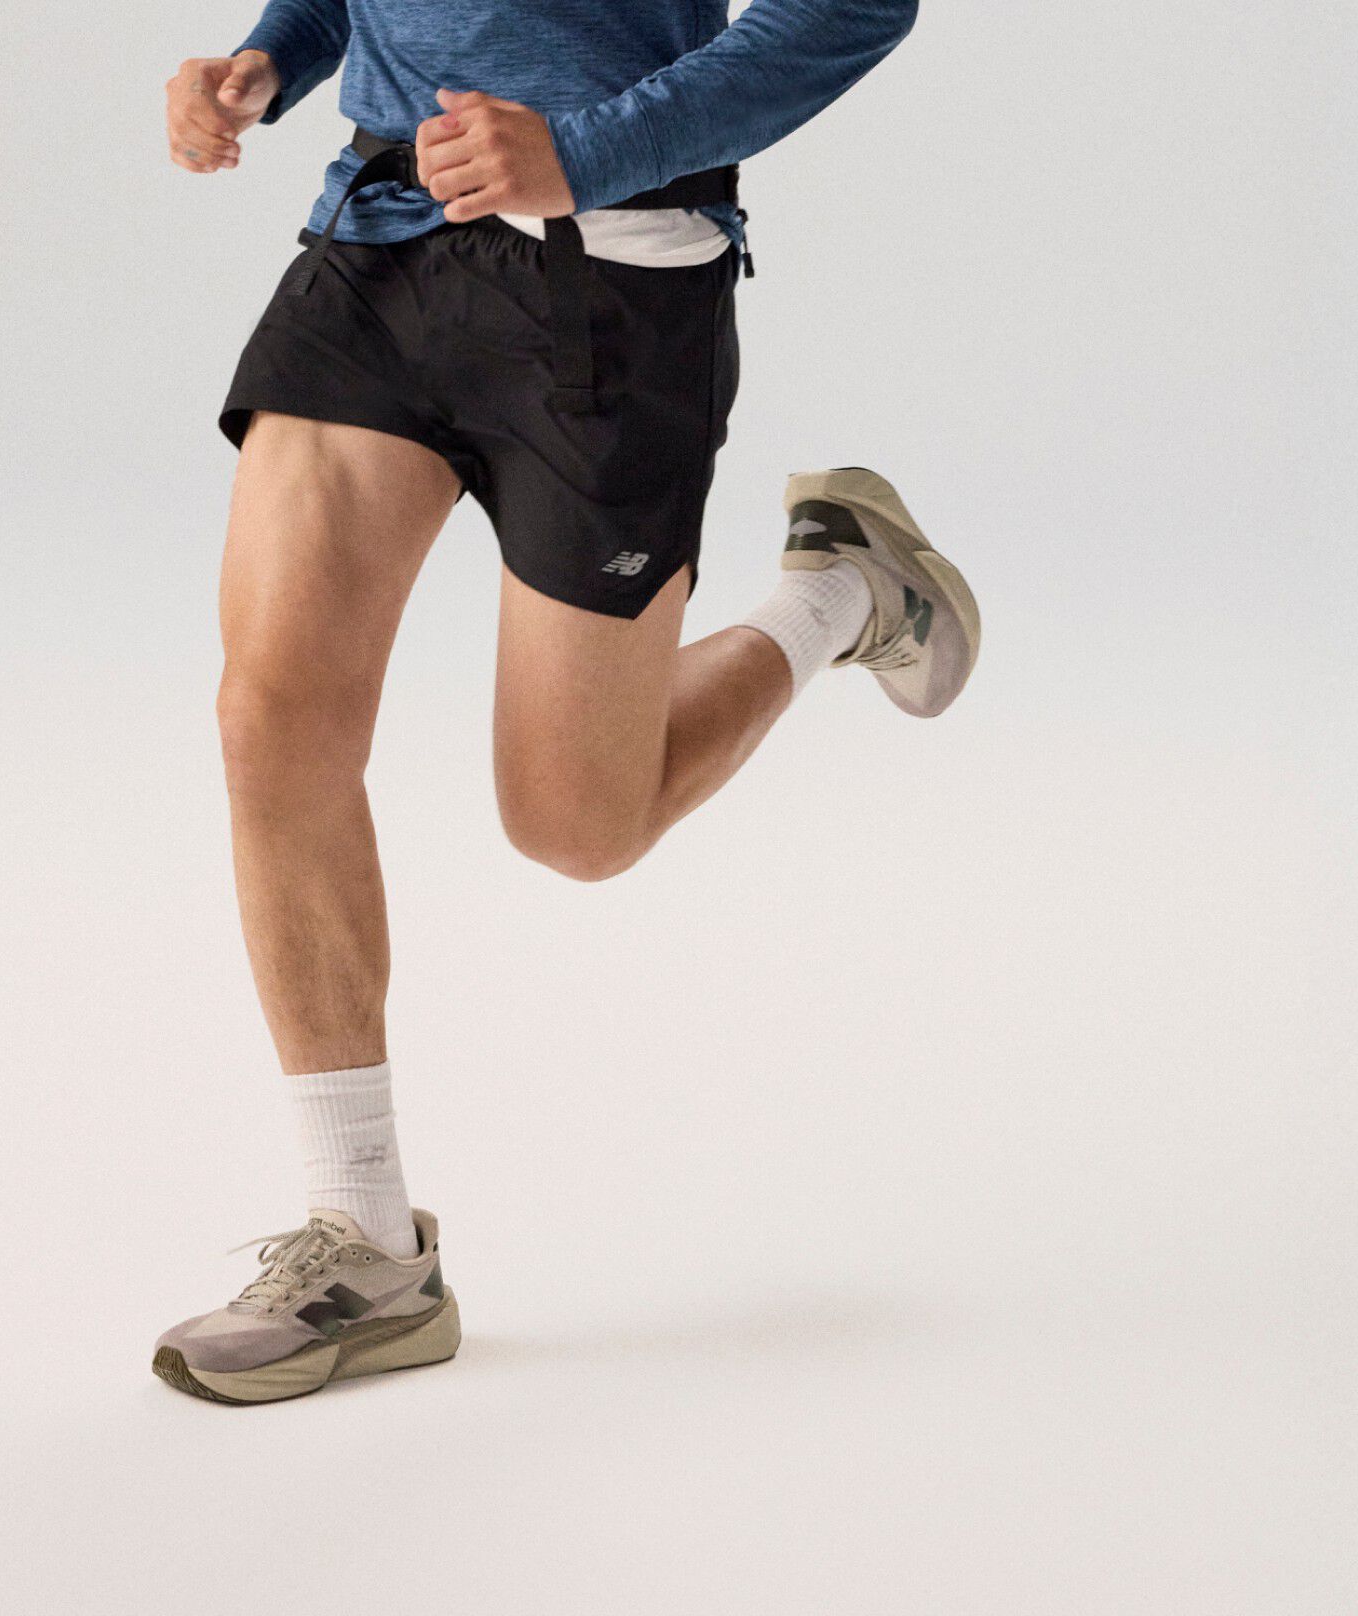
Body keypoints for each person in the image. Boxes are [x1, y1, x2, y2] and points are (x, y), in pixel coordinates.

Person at [151, 0, 978, 1406]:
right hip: (379, 236)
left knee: (577, 824)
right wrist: (275, 56)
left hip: (612, 284)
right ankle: (366, 1241)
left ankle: (842, 593)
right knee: (271, 713)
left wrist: (587, 153)